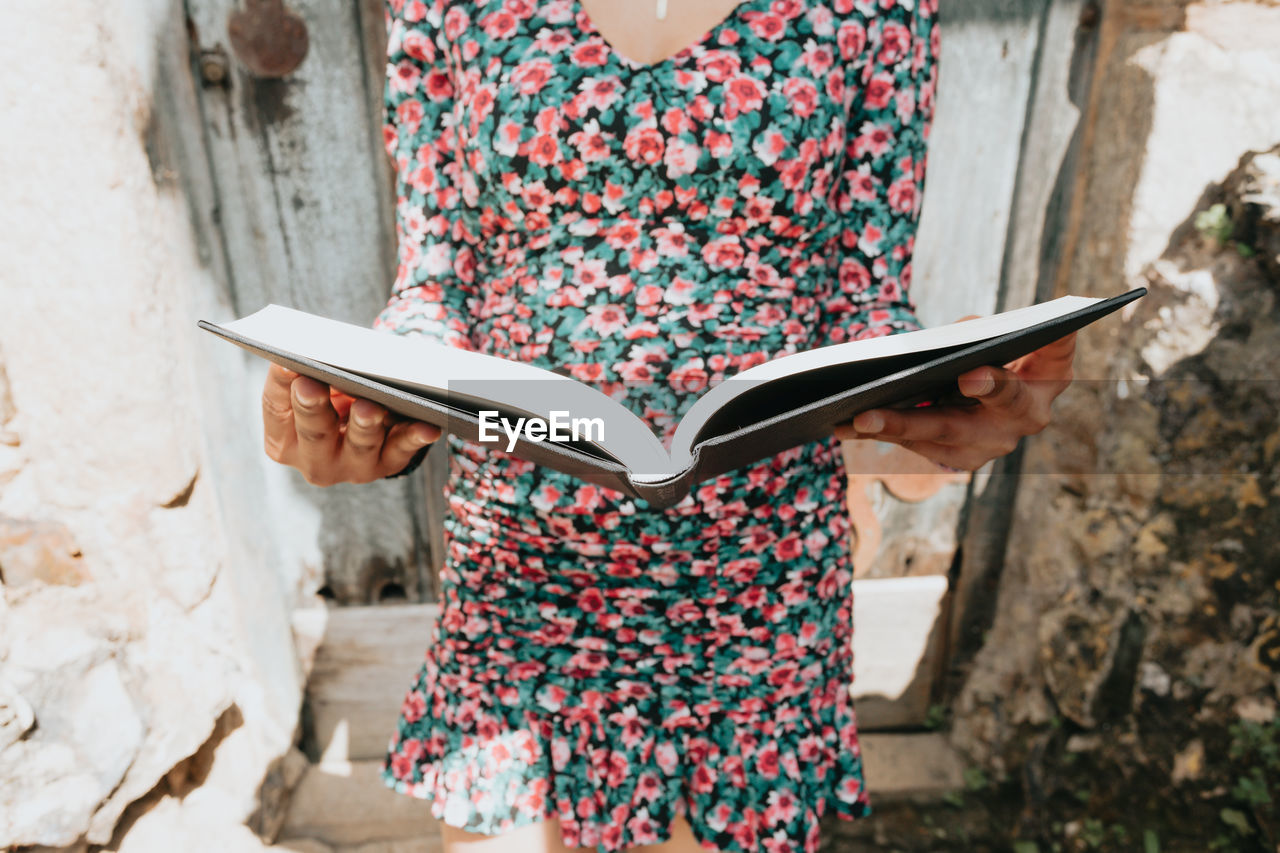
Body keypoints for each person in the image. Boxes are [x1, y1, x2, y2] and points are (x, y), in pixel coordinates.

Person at [259, 0, 1076, 850]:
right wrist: (368, 407)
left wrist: (944, 404)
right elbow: (436, 283)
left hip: (759, 580)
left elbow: (863, 299)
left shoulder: (878, 7)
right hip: (522, 569)